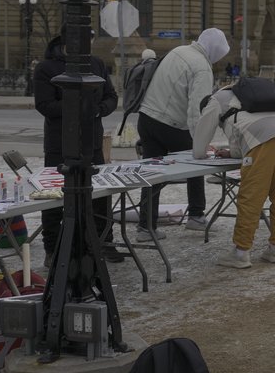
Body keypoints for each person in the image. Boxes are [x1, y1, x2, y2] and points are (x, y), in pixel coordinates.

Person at [33, 32, 120, 263]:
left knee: (99, 195)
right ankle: (53, 248)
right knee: (54, 197)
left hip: (92, 143)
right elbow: (44, 105)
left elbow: (111, 96)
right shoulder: (46, 68)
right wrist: (78, 107)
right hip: (60, 144)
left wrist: (99, 109)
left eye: (90, 42)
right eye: (84, 41)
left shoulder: (96, 64)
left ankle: (102, 242)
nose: (88, 46)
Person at [136, 27, 230, 235]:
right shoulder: (202, 67)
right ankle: (196, 215)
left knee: (152, 174)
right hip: (169, 124)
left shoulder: (178, 51)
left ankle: (146, 226)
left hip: (147, 118)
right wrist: (200, 142)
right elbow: (198, 110)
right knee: (196, 160)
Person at [192, 80, 275, 267]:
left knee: (251, 197)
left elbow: (202, 136)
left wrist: (199, 154)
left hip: (261, 140)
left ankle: (241, 253)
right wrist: (231, 153)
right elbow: (242, 134)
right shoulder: (241, 95)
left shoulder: (215, 101)